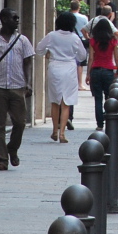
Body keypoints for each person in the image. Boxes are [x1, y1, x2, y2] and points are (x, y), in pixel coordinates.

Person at [0, 9, 34, 170]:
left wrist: (28, 83)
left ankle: (12, 148)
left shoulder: (22, 40)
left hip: (18, 88)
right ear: (4, 19)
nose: (17, 20)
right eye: (14, 18)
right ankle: (2, 159)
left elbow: (28, 63)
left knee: (19, 123)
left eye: (18, 17)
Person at [35, 11, 86, 143]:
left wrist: (48, 52)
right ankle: (62, 133)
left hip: (54, 67)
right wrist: (72, 55)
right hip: (69, 69)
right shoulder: (75, 38)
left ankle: (54, 131)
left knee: (55, 101)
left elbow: (39, 49)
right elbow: (82, 56)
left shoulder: (52, 36)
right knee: (66, 102)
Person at [87, 18, 118, 130]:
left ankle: (100, 124)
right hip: (108, 71)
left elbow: (91, 58)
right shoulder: (113, 40)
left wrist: (88, 74)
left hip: (96, 71)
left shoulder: (93, 41)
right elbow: (116, 58)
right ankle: (109, 120)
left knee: (97, 99)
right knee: (108, 97)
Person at [69, 0, 89, 90]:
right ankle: (80, 84)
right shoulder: (84, 18)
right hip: (81, 40)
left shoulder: (67, 17)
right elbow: (86, 30)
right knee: (80, 63)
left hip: (69, 40)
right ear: (79, 7)